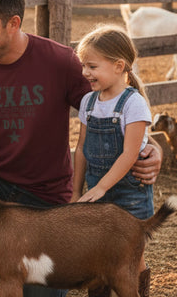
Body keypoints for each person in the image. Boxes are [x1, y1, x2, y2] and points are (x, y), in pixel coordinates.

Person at [0, 0, 162, 297]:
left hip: (48, 201)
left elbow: (120, 99)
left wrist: (152, 145)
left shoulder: (61, 62)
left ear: (13, 23)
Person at [72, 25, 153, 297]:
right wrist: (76, 191)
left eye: (92, 66)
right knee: (97, 255)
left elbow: (129, 155)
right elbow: (81, 148)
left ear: (119, 66)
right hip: (97, 193)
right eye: (83, 65)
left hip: (129, 195)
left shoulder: (134, 104)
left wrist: (101, 188)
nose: (85, 73)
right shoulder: (88, 102)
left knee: (130, 256)